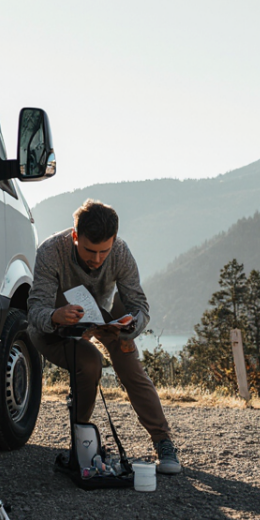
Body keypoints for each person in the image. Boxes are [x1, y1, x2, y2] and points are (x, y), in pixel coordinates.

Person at [28, 199, 181, 474]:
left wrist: (131, 326)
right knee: (90, 363)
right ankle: (82, 444)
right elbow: (35, 310)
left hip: (101, 318)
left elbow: (140, 306)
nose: (97, 259)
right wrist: (54, 316)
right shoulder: (51, 251)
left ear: (114, 241)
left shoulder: (120, 252)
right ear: (75, 236)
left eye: (104, 251)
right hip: (56, 326)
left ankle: (163, 442)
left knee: (131, 366)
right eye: (89, 250)